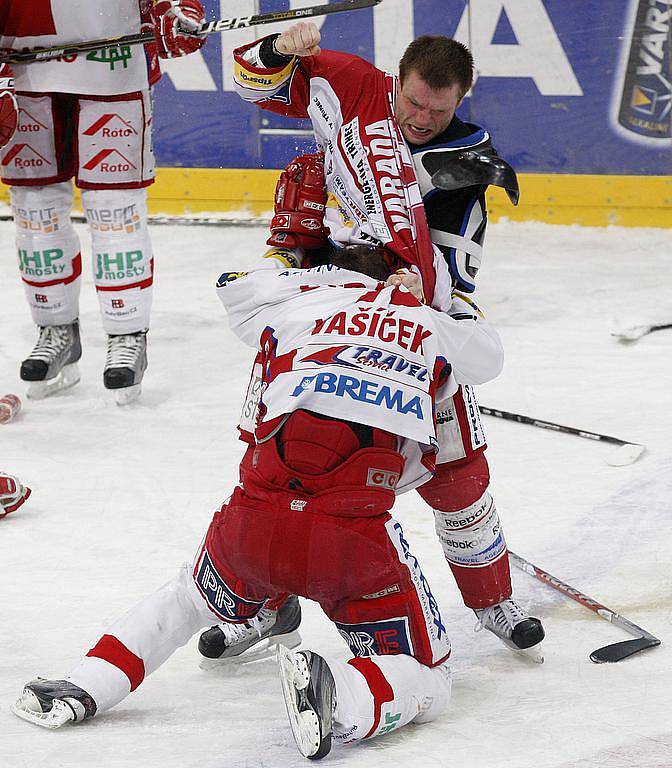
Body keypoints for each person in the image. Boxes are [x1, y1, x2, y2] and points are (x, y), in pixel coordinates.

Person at [13, 248, 504, 759]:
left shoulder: (293, 307)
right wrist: (434, 298)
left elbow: (236, 285)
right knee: (430, 675)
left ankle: (84, 685)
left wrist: (306, 265)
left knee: (185, 600)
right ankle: (341, 695)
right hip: (349, 543)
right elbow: (488, 356)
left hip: (251, 523)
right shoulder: (428, 324)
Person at [199, 23, 544, 662]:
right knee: (277, 450)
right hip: (326, 292)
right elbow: (249, 80)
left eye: (439, 111)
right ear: (398, 80)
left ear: (462, 100)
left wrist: (428, 295)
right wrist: (280, 50)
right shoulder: (348, 83)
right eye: (413, 103)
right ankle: (259, 602)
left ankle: (492, 597)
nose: (422, 118)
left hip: (409, 321)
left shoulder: (465, 163)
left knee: (457, 467)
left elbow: (449, 276)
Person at [0, 0, 205, 404]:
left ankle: (127, 333)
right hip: (17, 72)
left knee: (115, 212)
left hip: (114, 66)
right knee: (34, 211)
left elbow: (172, 8)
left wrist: (175, 12)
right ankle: (55, 329)